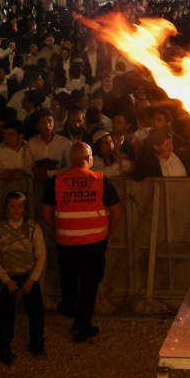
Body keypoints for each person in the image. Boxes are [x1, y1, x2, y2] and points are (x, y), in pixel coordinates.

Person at [40, 143, 122, 342]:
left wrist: (58, 229)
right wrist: (106, 233)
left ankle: (68, 307)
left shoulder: (57, 180)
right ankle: (82, 325)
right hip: (94, 241)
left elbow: (45, 212)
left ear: (71, 159)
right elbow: (117, 212)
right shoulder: (100, 179)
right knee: (89, 283)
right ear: (88, 158)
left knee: (68, 277)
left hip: (66, 240)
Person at [0, 191, 47, 365]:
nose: (15, 209)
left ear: (24, 209)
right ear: (6, 208)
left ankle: (37, 344)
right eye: (12, 206)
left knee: (36, 312)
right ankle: (3, 347)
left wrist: (32, 279)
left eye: (19, 206)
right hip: (8, 277)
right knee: (5, 315)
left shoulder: (33, 228)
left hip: (29, 276)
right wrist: (7, 280)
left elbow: (41, 255)